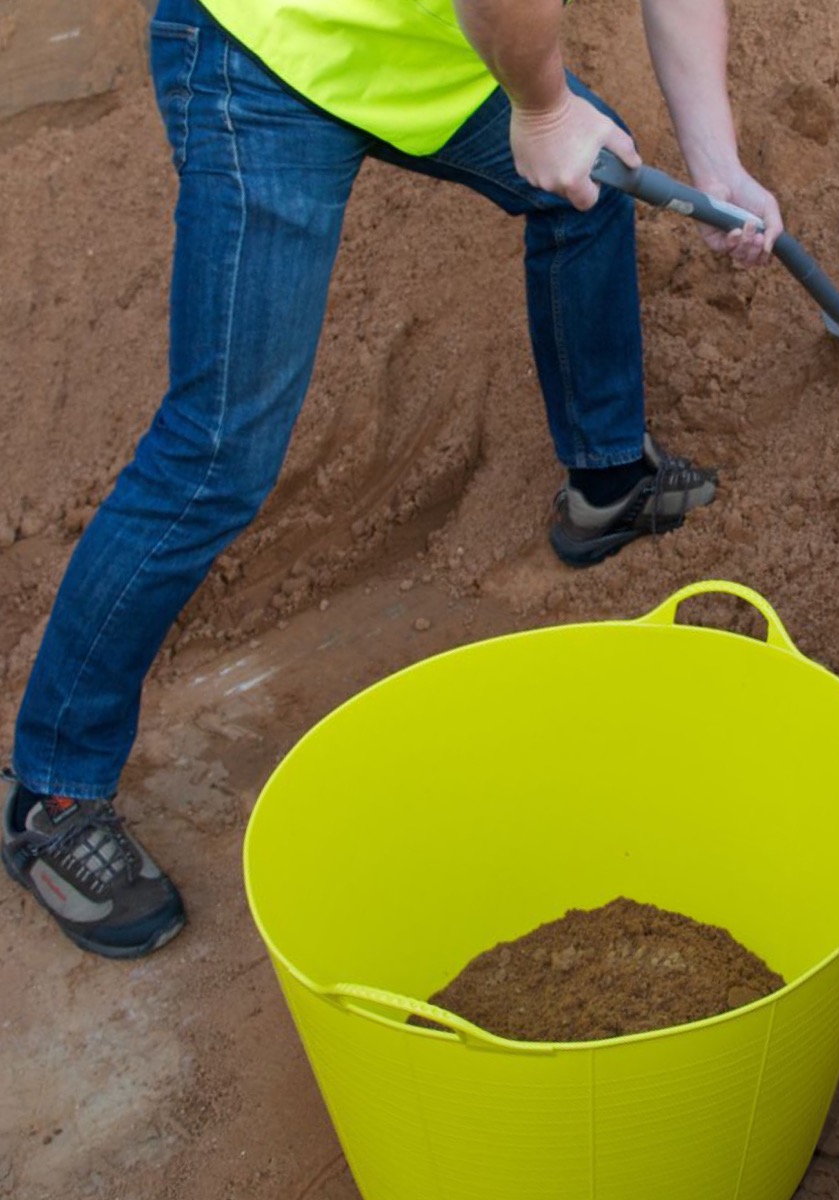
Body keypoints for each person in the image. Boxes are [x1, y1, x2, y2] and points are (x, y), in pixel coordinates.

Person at [1, 0, 783, 958]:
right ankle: (53, 792)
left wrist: (716, 163)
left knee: (591, 186)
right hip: (269, 47)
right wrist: (541, 111)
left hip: (430, 46)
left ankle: (608, 481)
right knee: (220, 454)